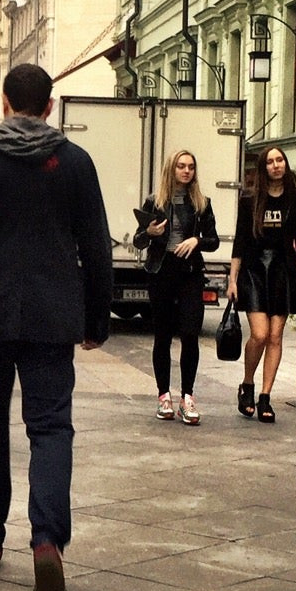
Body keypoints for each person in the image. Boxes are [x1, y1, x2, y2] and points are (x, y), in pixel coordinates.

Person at [0, 63, 111, 591]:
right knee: (52, 427)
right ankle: (47, 541)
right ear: (50, 106)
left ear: (6, 102)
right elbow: (98, 246)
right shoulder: (76, 162)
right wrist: (96, 318)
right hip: (52, 316)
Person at [229, 145, 296, 425]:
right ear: (263, 168)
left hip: (283, 270)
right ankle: (247, 384)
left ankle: (265, 396)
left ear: (286, 165)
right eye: (270, 161)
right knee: (259, 334)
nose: (276, 165)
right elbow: (240, 241)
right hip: (254, 271)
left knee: (276, 336)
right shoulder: (249, 200)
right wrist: (232, 279)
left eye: (280, 160)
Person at [132, 149, 219, 425]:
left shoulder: (201, 203)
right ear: (172, 169)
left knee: (190, 333)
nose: (186, 171)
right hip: (161, 272)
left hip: (190, 273)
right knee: (163, 335)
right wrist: (150, 233)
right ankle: (163, 395)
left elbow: (214, 240)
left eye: (191, 167)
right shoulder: (154, 202)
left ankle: (188, 397)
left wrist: (197, 241)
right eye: (181, 166)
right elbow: (138, 241)